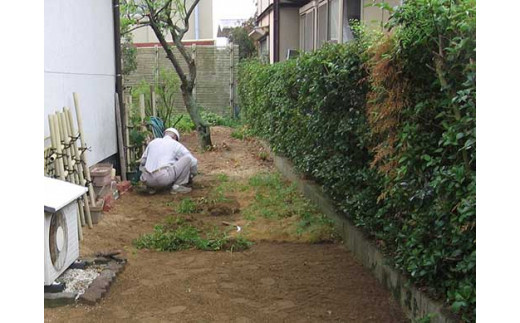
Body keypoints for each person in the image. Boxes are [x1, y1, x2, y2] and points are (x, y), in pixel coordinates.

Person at [139, 128, 197, 194]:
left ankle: (151, 187)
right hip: (163, 178)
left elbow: (143, 161)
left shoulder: (153, 142)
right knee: (187, 159)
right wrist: (192, 174)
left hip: (146, 179)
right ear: (175, 137)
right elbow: (193, 161)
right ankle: (177, 186)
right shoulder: (176, 144)